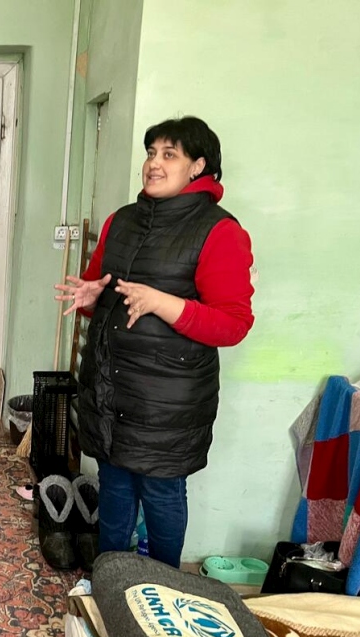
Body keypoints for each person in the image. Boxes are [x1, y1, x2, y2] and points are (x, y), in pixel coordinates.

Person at [55, 116, 254, 568]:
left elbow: (232, 324)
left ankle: (163, 587)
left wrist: (162, 302)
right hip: (110, 386)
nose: (154, 164)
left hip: (168, 402)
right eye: (150, 153)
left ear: (198, 166)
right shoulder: (122, 221)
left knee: (162, 494)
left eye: (169, 155)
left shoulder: (219, 231)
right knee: (116, 487)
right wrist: (91, 296)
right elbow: (105, 294)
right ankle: (109, 577)